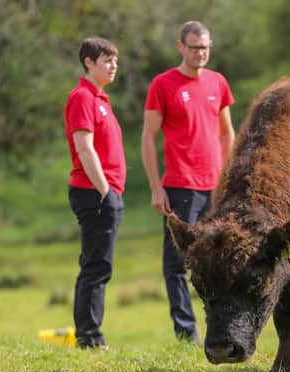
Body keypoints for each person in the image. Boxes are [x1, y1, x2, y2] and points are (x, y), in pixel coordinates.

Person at [141, 21, 235, 343]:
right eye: (194, 48)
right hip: (179, 186)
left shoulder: (218, 83)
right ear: (180, 47)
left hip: (215, 186)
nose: (201, 53)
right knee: (177, 262)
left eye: (205, 47)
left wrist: (230, 178)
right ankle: (186, 331)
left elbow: (226, 133)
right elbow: (148, 136)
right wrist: (156, 187)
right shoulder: (162, 85)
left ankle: (221, 327)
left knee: (221, 260)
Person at [64, 37, 126, 349]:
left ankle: (90, 334)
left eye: (115, 60)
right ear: (89, 62)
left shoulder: (100, 99)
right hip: (94, 193)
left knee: (99, 264)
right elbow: (84, 147)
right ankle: (89, 336)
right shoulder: (82, 97)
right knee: (97, 266)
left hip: (104, 192)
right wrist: (106, 191)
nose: (114, 66)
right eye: (107, 60)